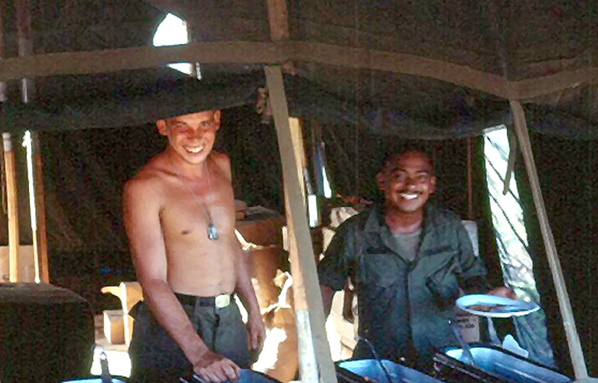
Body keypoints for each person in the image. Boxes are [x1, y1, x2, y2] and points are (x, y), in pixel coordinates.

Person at [318, 148, 514, 367]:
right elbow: (325, 284)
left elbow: (473, 278)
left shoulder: (449, 227)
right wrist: (315, 344)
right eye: (399, 176)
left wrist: (491, 297)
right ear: (382, 181)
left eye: (420, 177)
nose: (410, 186)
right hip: (379, 361)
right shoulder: (355, 232)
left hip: (442, 358)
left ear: (431, 185)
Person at [123, 110, 265, 383]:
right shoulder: (146, 187)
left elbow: (228, 241)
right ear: (162, 126)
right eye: (182, 126)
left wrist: (253, 309)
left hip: (228, 316)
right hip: (176, 322)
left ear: (217, 120)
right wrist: (198, 353)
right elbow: (152, 281)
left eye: (203, 125)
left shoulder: (221, 165)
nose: (195, 137)